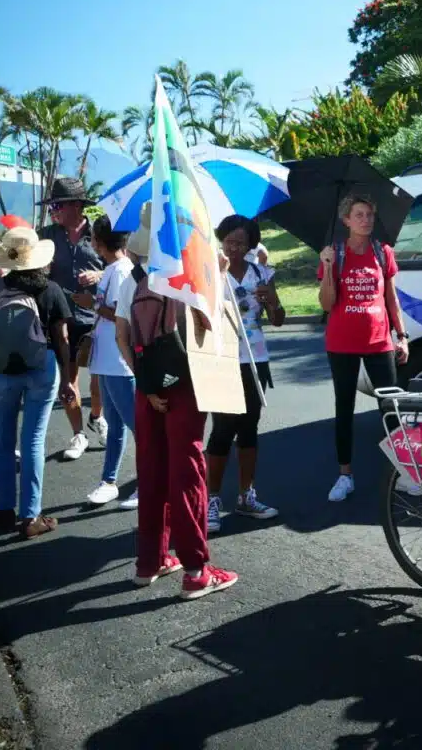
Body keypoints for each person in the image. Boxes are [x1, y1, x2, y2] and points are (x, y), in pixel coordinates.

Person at [114, 204, 238, 600]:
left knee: (151, 470)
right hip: (187, 382)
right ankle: (196, 570)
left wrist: (147, 385)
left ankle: (149, 562)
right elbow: (211, 325)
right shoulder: (191, 274)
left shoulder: (129, 276)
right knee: (187, 472)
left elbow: (122, 336)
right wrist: (218, 274)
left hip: (146, 386)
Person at [0, 227, 80, 538]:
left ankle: (4, 509)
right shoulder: (51, 290)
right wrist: (67, 380)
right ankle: (30, 517)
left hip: (2, 371)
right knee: (32, 442)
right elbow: (62, 339)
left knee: (2, 442)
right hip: (41, 368)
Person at [318, 193, 408, 503]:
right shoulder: (336, 253)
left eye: (369, 214)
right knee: (344, 409)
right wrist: (328, 268)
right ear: (346, 220)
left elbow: (391, 299)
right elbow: (327, 304)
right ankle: (345, 475)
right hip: (341, 343)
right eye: (359, 215)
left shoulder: (383, 252)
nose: (366, 220)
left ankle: (405, 471)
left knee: (392, 407)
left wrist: (402, 335)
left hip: (379, 341)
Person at [206, 215, 285, 534]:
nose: (234, 248)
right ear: (221, 241)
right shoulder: (211, 273)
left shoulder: (261, 273)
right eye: (229, 242)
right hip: (222, 360)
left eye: (240, 243)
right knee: (223, 429)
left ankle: (246, 496)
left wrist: (270, 301)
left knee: (249, 428)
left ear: (251, 245)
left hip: (255, 359)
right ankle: (210, 499)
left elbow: (278, 319)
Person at [38, 177, 107, 460]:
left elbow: (120, 264)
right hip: (61, 320)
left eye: (59, 205)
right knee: (69, 378)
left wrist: (99, 275)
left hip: (97, 315)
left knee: (101, 376)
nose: (54, 210)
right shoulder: (46, 235)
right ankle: (78, 434)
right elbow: (35, 274)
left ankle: (96, 415)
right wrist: (43, 269)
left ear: (77, 205)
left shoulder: (101, 232)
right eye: (52, 205)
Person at [79, 216, 138, 509]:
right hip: (106, 360)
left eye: (92, 237)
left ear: (98, 242)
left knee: (138, 426)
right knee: (115, 427)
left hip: (118, 361)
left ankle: (149, 481)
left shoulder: (122, 271)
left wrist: (90, 304)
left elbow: (120, 316)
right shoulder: (113, 269)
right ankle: (109, 482)